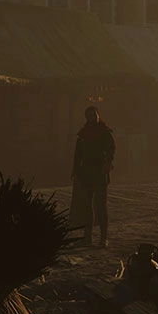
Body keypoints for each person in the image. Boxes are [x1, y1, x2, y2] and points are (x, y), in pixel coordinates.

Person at [70, 106, 116, 248]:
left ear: (98, 115)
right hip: (86, 173)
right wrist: (75, 173)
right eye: (89, 115)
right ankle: (87, 238)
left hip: (100, 172)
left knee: (101, 205)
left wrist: (108, 161)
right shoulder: (83, 135)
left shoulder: (104, 132)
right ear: (86, 117)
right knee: (86, 207)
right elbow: (78, 156)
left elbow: (111, 148)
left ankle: (103, 238)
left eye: (94, 115)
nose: (92, 117)